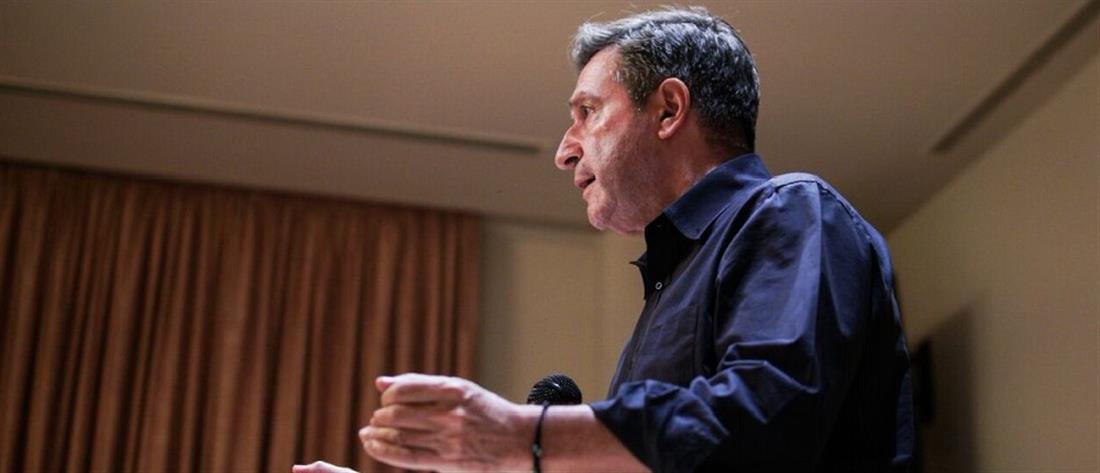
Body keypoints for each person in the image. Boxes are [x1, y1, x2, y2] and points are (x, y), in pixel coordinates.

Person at [295, 6, 913, 473]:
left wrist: (524, 435)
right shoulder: (669, 284)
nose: (565, 151)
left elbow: (765, 421)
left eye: (587, 112)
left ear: (668, 110)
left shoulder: (793, 208)